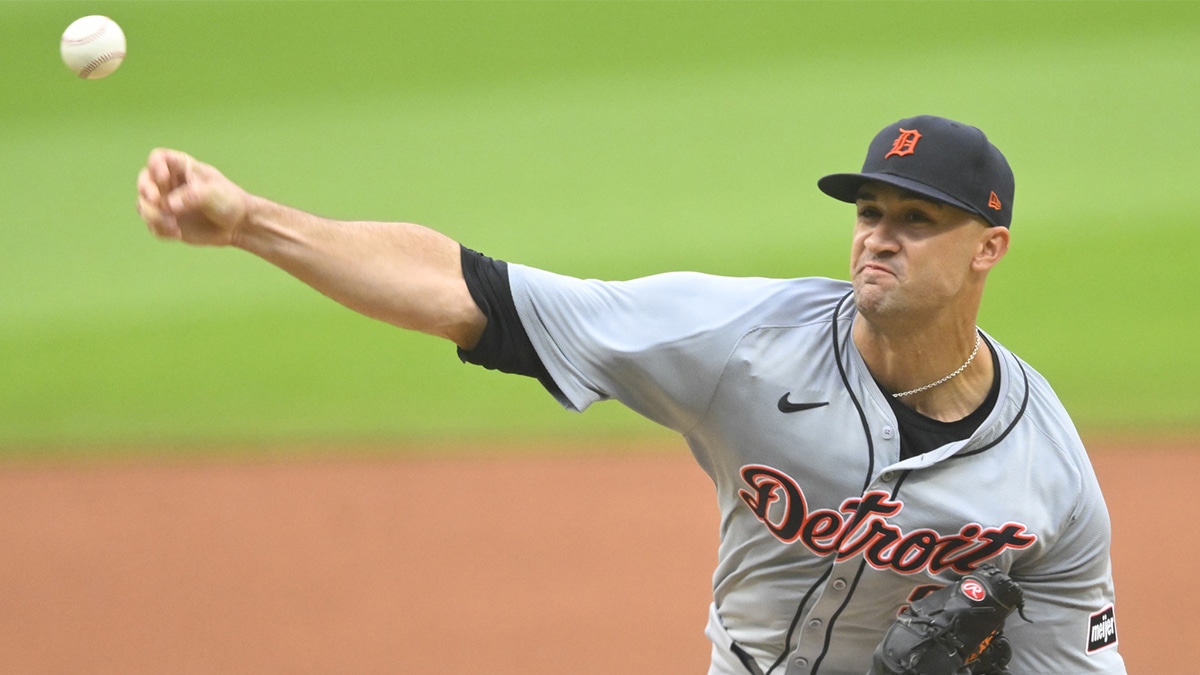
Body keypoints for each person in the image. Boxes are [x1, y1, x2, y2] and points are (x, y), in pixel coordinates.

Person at [135, 115, 1126, 675]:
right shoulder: (746, 342)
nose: (879, 235)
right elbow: (469, 291)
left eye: (918, 220)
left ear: (988, 249)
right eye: (871, 212)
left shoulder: (1049, 476)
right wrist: (251, 222)